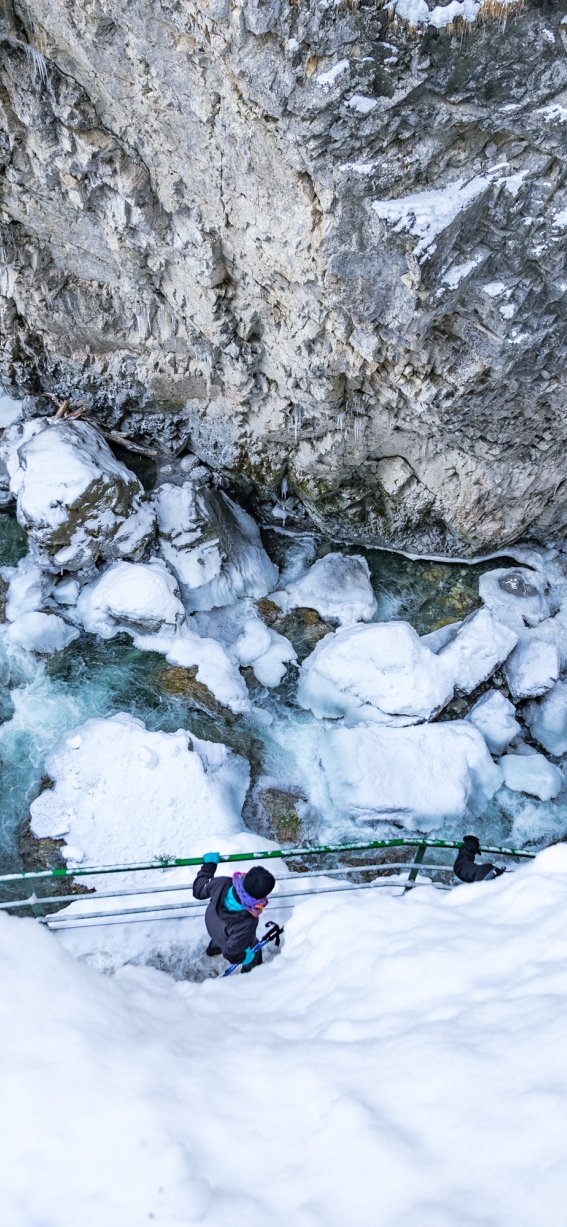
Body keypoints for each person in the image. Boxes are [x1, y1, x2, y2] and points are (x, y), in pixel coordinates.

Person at [192, 852, 276, 973]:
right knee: (253, 947)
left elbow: (198, 890)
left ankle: (213, 950)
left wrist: (209, 865)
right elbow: (231, 953)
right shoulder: (248, 921)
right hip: (227, 936)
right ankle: (251, 974)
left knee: (222, 936)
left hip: (211, 923)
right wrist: (245, 957)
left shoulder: (223, 883)